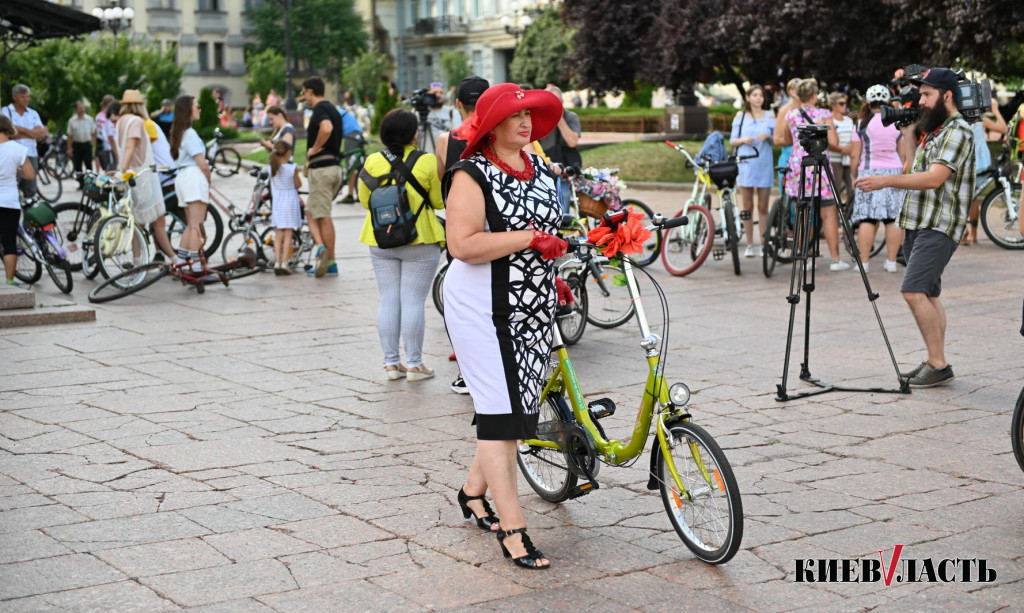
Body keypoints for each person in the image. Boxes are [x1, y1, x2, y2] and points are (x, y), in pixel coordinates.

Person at [443, 83, 566, 569]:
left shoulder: (538, 168)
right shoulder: (471, 174)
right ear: (489, 125)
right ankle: (514, 531)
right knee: (499, 414)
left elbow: (548, 231)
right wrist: (529, 239)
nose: (526, 123)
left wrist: (554, 258)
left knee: (518, 410)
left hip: (533, 304)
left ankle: (473, 493)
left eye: (531, 116)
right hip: (481, 306)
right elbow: (463, 245)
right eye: (515, 116)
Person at [855, 67, 975, 388]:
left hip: (939, 224)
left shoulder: (958, 131)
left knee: (912, 290)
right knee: (930, 294)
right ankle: (937, 360)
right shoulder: (935, 131)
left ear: (946, 96)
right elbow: (912, 168)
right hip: (919, 222)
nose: (920, 101)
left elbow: (934, 179)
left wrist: (884, 180)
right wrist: (908, 136)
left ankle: (938, 363)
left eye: (926, 95)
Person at [357, 109, 445, 380]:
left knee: (389, 300)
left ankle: (391, 364)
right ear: (413, 133)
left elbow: (364, 200)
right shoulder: (427, 160)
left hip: (380, 239)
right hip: (420, 238)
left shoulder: (372, 161)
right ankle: (415, 364)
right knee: (413, 300)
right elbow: (440, 201)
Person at [433, 75, 490, 394]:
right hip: (493, 227)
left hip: (459, 229)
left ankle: (467, 373)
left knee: (464, 304)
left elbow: (445, 182)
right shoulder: (498, 135)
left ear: (458, 105)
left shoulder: (446, 140)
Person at [776, 78, 846, 271]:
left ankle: (803, 257)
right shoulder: (824, 114)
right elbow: (833, 141)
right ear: (814, 95)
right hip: (820, 166)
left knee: (803, 212)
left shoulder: (791, 115)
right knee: (828, 213)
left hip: (799, 165)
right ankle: (835, 259)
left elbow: (786, 138)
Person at [849, 84, 907, 273]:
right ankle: (891, 262)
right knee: (892, 219)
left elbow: (854, 156)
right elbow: (903, 154)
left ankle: (864, 263)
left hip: (869, 172)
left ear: (868, 101)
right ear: (888, 101)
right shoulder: (897, 122)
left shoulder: (861, 124)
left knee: (867, 218)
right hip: (894, 173)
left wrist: (854, 176)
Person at [117, 90, 175, 261]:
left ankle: (138, 259)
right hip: (141, 175)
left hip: (132, 175)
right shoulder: (136, 121)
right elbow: (130, 146)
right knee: (157, 220)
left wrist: (122, 170)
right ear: (140, 105)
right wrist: (124, 169)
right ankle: (174, 259)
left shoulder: (121, 121)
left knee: (138, 222)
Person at [302, 77, 343, 278]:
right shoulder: (333, 108)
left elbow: (326, 128)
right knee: (312, 210)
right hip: (334, 167)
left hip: (322, 168)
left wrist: (314, 149)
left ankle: (327, 256)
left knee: (322, 214)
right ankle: (323, 252)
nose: (303, 97)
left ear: (310, 91)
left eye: (304, 93)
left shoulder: (319, 109)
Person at [729, 84, 775, 256]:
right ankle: (749, 244)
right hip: (746, 164)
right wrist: (743, 140)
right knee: (747, 206)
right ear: (747, 97)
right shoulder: (740, 117)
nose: (758, 98)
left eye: (761, 95)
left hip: (764, 164)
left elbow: (776, 140)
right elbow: (732, 140)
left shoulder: (770, 115)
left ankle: (764, 242)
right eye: (755, 95)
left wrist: (768, 136)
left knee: (763, 206)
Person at [169, 95, 213, 272]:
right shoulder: (190, 134)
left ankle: (180, 263)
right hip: (194, 177)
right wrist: (208, 181)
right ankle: (196, 268)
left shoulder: (179, 132)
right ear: (189, 110)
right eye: (197, 106)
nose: (200, 109)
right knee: (196, 225)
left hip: (182, 178)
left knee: (190, 225)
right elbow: (203, 164)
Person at [962, 95, 1007, 244]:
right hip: (980, 162)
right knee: (974, 197)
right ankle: (973, 235)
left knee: (967, 197)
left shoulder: (960, 121)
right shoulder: (982, 121)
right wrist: (995, 110)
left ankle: (965, 232)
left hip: (965, 161)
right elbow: (1003, 129)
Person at [0, 115, 34, 286]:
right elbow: (30, 175)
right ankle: (10, 280)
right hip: (9, 201)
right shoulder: (18, 149)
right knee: (9, 241)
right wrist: (19, 171)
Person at [537, 85, 582, 211]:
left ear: (561, 103)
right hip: (543, 168)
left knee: (563, 201)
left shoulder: (570, 117)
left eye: (555, 101)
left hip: (564, 170)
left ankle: (562, 227)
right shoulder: (538, 118)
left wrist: (559, 118)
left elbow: (572, 142)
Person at [2, 84, 47, 198]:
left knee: (31, 189)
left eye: (28, 96)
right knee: (12, 187)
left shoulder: (33, 113)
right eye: (23, 97)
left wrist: (19, 129)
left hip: (31, 154)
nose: (26, 99)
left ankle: (29, 214)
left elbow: (41, 134)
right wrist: (31, 133)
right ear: (15, 97)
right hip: (12, 156)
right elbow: (7, 133)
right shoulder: (6, 111)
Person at [269, 140, 302, 275]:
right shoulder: (292, 168)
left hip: (278, 202)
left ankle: (277, 262)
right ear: (288, 153)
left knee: (278, 234)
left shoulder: (271, 168)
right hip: (290, 202)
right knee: (288, 234)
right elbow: (298, 185)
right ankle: (285, 262)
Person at [828, 91, 856, 206]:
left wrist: (851, 148)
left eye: (845, 103)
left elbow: (854, 138)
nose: (844, 106)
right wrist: (842, 149)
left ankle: (849, 217)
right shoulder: (829, 120)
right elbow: (829, 142)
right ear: (833, 105)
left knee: (852, 189)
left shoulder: (849, 121)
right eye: (841, 103)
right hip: (835, 159)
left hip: (848, 159)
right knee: (835, 190)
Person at [773, 78, 801, 193]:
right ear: (790, 91)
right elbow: (777, 139)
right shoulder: (784, 111)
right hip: (789, 156)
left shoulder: (812, 110)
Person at [336, 100, 365, 204]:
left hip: (350, 137)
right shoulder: (344, 113)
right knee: (358, 165)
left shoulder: (336, 115)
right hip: (359, 135)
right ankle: (360, 194)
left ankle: (350, 195)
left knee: (351, 166)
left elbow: (335, 133)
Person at [421, 82, 462, 155]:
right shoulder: (420, 112)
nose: (438, 95)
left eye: (441, 92)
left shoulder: (452, 112)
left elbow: (458, 138)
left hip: (445, 159)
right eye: (435, 92)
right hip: (425, 159)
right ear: (427, 96)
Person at [66, 101, 96, 180]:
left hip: (87, 144)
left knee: (88, 164)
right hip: (77, 145)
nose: (81, 109)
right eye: (79, 108)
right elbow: (69, 135)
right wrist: (69, 148)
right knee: (77, 165)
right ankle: (81, 183)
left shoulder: (89, 119)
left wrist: (93, 142)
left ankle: (90, 182)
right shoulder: (72, 121)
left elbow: (94, 132)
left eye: (83, 107)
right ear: (76, 109)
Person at [95, 95, 118, 171]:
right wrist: (117, 154)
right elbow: (110, 136)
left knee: (107, 170)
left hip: (101, 145)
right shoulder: (109, 116)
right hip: (109, 146)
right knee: (112, 171)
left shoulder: (98, 115)